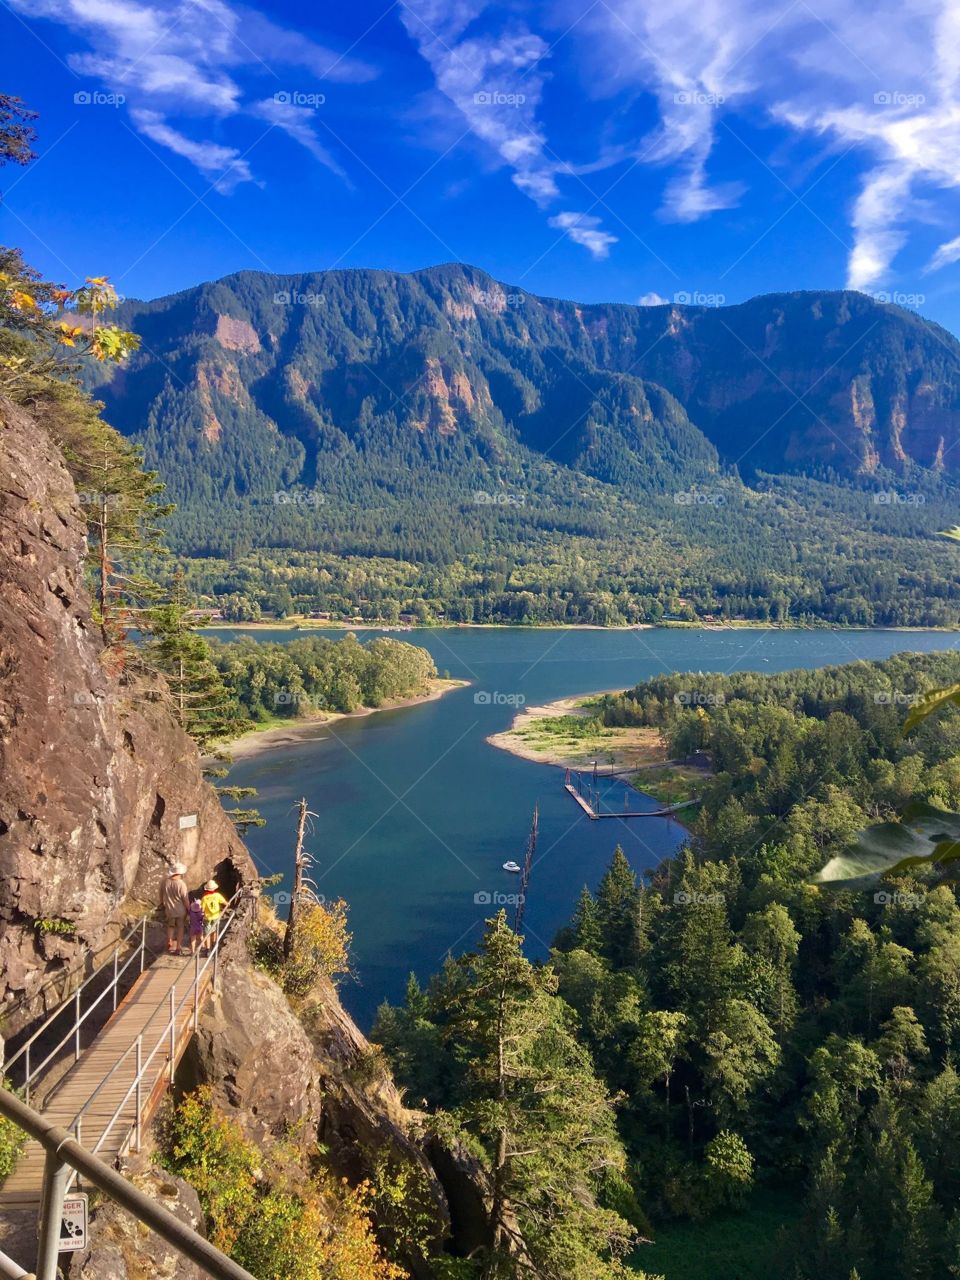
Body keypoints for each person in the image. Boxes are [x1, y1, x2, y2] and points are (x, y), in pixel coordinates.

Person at [161, 863, 189, 956]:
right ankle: (178, 947)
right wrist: (189, 909)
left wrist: (162, 903)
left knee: (170, 926)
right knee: (180, 927)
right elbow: (185, 899)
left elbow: (161, 894)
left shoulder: (166, 882)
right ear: (180, 873)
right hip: (180, 910)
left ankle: (169, 940)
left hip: (169, 909)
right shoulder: (181, 884)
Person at [200, 879, 228, 954]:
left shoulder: (204, 898)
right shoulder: (217, 895)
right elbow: (226, 903)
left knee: (207, 934)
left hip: (207, 918)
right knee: (214, 931)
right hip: (216, 916)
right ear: (214, 888)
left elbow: (202, 909)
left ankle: (208, 949)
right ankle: (214, 945)